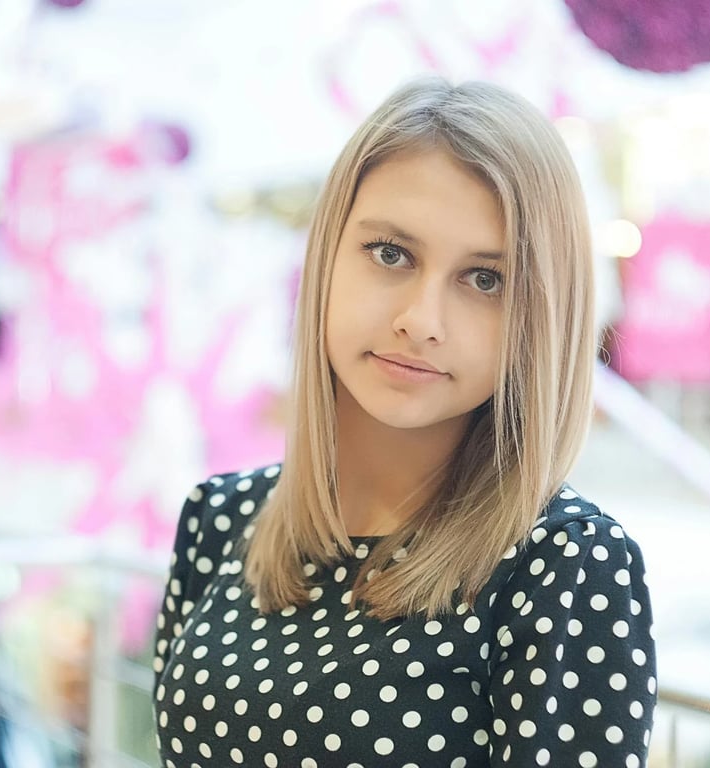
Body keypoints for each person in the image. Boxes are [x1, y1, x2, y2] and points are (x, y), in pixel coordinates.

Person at [152, 78, 656, 767]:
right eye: (391, 253)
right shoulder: (219, 519)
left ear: (540, 317)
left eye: (485, 279)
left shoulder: (563, 566)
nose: (421, 321)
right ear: (326, 256)